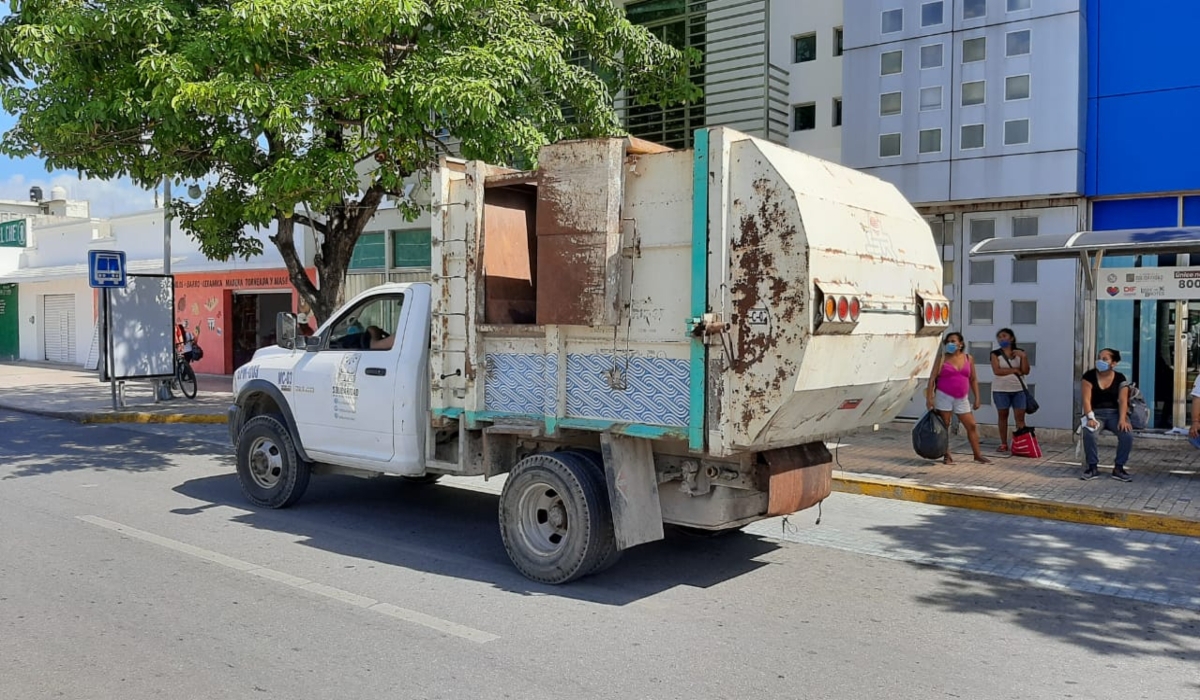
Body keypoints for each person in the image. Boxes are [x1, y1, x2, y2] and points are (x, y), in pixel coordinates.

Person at [926, 331, 989, 464]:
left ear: (960, 344)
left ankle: (977, 455)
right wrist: (929, 398)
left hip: (962, 398)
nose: (950, 344)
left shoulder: (968, 358)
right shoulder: (942, 358)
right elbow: (932, 379)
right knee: (945, 426)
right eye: (948, 341)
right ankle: (946, 454)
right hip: (944, 396)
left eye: (953, 341)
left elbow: (973, 379)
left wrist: (977, 397)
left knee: (971, 425)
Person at [1080, 348, 1133, 482]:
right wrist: (1090, 418)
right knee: (1089, 432)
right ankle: (1092, 467)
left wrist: (1122, 419)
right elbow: (1086, 399)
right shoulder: (1089, 376)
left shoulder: (1120, 378)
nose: (1100, 361)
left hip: (1115, 413)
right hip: (1096, 413)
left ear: (1113, 363)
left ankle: (1119, 467)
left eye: (1105, 359)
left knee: (1127, 434)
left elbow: (1123, 400)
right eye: (1099, 358)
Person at [990, 328, 1030, 453]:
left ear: (1011, 338)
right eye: (999, 337)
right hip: (1000, 390)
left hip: (1019, 389)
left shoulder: (1020, 352)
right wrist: (1013, 370)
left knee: (1020, 417)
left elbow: (1025, 371)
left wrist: (1023, 357)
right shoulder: (995, 354)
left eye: (1004, 336)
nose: (1002, 339)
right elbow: (997, 371)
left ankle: (1021, 443)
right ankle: (1003, 443)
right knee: (1003, 416)